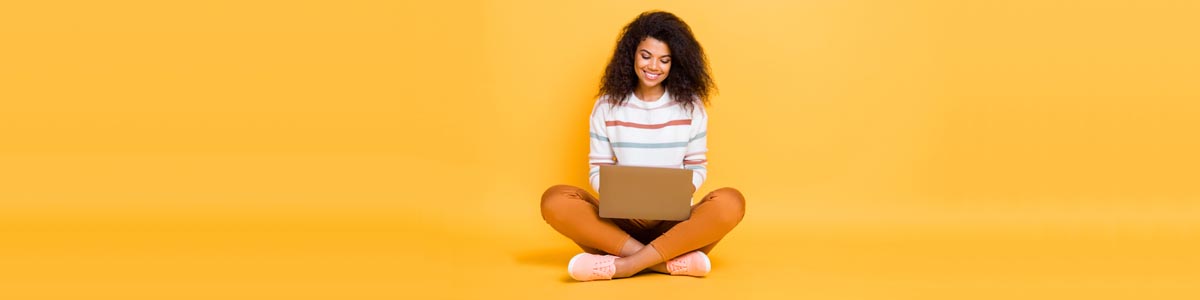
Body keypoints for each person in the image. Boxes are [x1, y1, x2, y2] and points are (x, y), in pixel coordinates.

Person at [539, 11, 746, 282]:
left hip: (675, 223)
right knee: (555, 200)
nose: (653, 66)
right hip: (620, 223)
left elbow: (696, 166)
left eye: (664, 60)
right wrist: (621, 198)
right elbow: (597, 168)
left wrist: (677, 194)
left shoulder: (691, 107)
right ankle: (664, 262)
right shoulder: (607, 105)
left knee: (731, 202)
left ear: (676, 63)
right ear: (632, 55)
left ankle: (622, 266)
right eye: (646, 55)